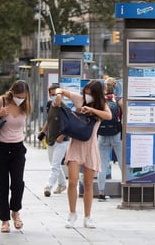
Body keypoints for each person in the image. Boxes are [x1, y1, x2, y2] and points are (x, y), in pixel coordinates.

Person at [54, 80, 112, 229]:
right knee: (72, 181)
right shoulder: (80, 99)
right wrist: (59, 95)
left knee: (87, 184)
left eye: (90, 94)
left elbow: (108, 116)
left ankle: (88, 216)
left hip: (91, 147)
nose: (87, 96)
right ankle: (72, 214)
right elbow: (59, 89)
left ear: (97, 95)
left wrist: (91, 111)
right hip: (75, 145)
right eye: (86, 92)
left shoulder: (101, 105)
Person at [0, 80, 32, 233]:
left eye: (23, 96)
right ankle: (4, 220)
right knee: (1, 185)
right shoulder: (1, 101)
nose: (20, 99)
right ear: (12, 92)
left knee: (18, 183)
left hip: (17, 148)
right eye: (18, 96)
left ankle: (15, 211)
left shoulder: (26, 105)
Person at [38, 84, 69, 197]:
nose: (52, 96)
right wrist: (43, 132)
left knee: (55, 165)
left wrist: (62, 135)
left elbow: (69, 124)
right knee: (53, 164)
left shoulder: (64, 108)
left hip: (62, 141)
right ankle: (62, 184)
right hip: (50, 138)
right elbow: (49, 120)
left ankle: (48, 186)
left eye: (54, 94)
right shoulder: (49, 105)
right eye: (50, 94)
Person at [97, 77, 123, 202]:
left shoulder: (100, 101)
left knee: (102, 164)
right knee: (122, 162)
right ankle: (126, 189)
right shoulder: (119, 101)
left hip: (102, 135)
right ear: (116, 87)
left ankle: (101, 192)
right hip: (116, 134)